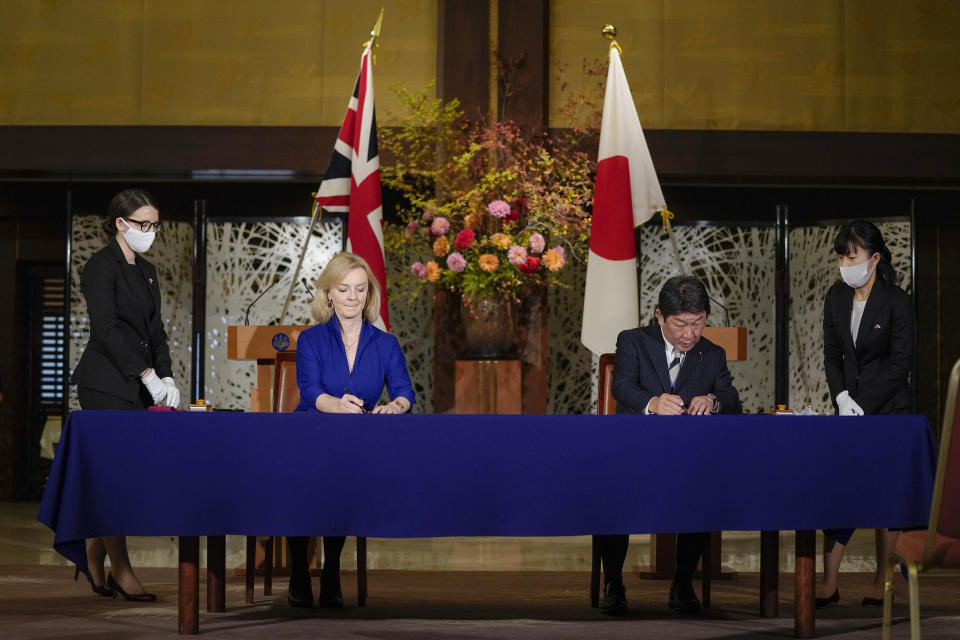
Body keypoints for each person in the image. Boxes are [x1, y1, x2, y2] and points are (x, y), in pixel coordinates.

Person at [598, 275, 741, 616]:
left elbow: (731, 398)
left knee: (702, 490)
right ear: (660, 316)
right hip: (634, 453)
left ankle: (682, 582)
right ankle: (614, 583)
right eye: (681, 324)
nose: (690, 334)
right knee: (611, 492)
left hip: (686, 459)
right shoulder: (633, 341)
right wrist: (652, 403)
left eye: (698, 324)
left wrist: (712, 399)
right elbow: (621, 388)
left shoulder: (713, 354)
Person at [70, 188, 181, 601]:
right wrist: (148, 374)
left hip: (139, 384)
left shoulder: (147, 270)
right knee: (114, 479)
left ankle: (93, 556)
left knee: (127, 478)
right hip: (105, 384)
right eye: (142, 224)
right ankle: (122, 570)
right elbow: (108, 329)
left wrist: (167, 379)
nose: (149, 231)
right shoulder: (101, 267)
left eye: (154, 225)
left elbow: (155, 330)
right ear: (120, 223)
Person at [286, 252, 415, 609]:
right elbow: (311, 392)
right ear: (329, 293)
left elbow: (405, 391)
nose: (353, 297)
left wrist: (396, 406)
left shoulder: (385, 343)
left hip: (355, 439)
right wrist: (337, 404)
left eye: (360, 289)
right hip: (310, 434)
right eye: (344, 289)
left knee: (340, 484)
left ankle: (331, 571)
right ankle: (299, 570)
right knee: (301, 485)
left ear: (369, 293)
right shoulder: (312, 340)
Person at [817, 220, 913, 608]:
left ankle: (882, 582)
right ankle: (828, 582)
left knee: (887, 499)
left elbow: (900, 362)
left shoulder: (897, 300)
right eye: (841, 256)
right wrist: (841, 396)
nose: (845, 263)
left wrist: (864, 404)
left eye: (851, 256)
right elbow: (831, 355)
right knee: (841, 492)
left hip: (889, 412)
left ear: (874, 258)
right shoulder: (835, 298)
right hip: (847, 411)